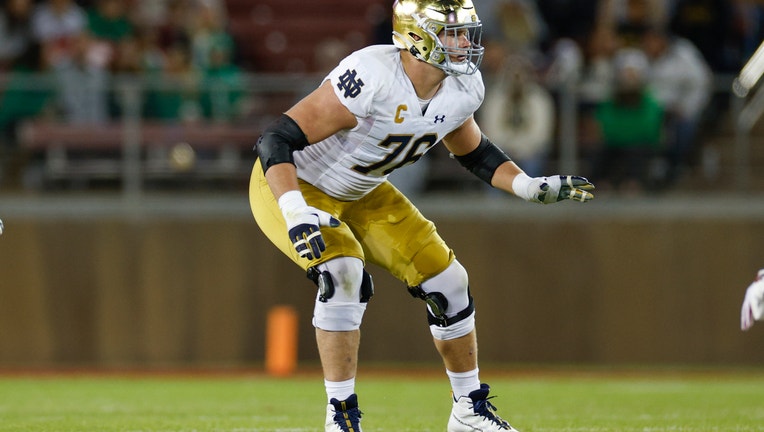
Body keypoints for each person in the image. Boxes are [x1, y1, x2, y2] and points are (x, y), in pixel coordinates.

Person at [248, 1, 595, 431]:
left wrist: (526, 185)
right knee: (341, 272)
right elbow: (275, 140)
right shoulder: (373, 76)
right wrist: (296, 211)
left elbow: (475, 151)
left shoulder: (462, 85)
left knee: (450, 281)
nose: (465, 42)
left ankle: (468, 410)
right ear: (417, 35)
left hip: (361, 190)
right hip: (291, 182)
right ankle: (339, 417)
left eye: (466, 32)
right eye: (453, 33)